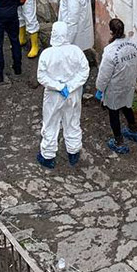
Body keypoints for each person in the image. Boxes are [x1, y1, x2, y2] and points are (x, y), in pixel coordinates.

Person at [35, 21, 88, 169]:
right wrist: (71, 86)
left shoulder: (47, 54)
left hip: (53, 95)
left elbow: (42, 77)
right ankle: (73, 153)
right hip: (73, 94)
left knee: (51, 123)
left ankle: (48, 156)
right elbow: (84, 71)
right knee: (72, 121)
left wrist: (59, 86)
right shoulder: (76, 51)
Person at [94, 19, 137, 154]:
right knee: (127, 106)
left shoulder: (110, 51)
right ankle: (133, 131)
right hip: (129, 84)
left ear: (111, 32)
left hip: (114, 89)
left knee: (114, 113)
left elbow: (104, 74)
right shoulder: (135, 45)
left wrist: (100, 89)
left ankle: (118, 141)